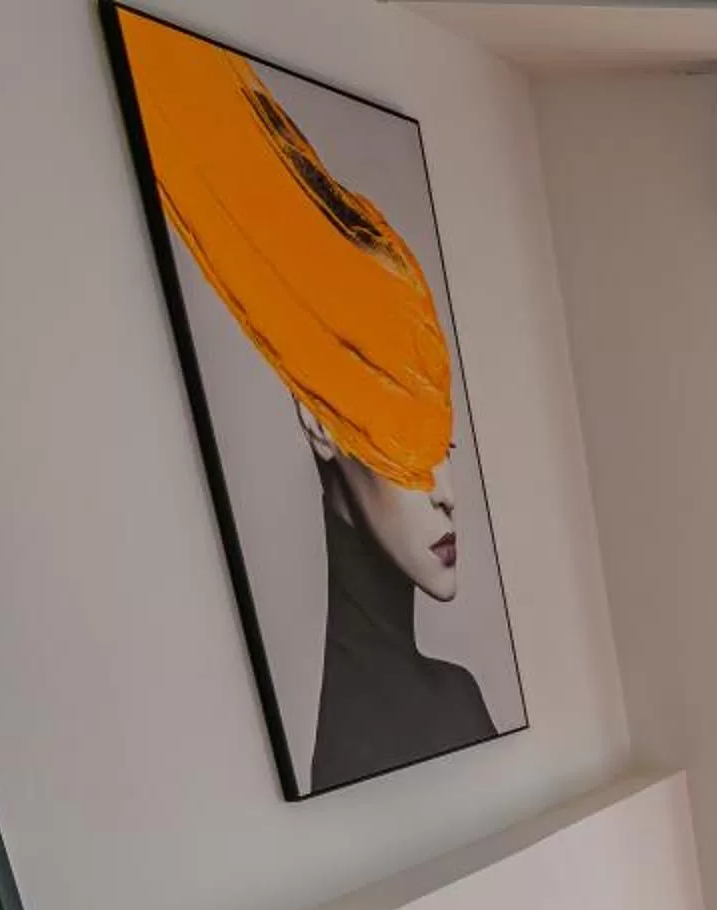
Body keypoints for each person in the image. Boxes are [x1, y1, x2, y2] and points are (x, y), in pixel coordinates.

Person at [126, 21, 493, 793]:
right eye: (408, 445)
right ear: (322, 423)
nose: (447, 493)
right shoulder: (388, 728)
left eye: (443, 452)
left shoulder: (438, 703)